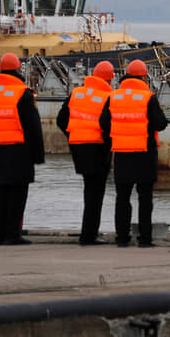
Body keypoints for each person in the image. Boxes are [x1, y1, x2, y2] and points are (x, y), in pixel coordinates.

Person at [99, 59, 167, 248]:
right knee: (145, 198)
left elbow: (103, 124)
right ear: (144, 77)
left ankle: (122, 238)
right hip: (144, 154)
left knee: (122, 198)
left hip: (121, 153)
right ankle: (145, 239)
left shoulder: (113, 97)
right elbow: (161, 123)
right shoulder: (148, 98)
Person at [0, 52, 45, 246]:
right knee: (18, 194)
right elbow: (33, 126)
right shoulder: (23, 93)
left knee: (2, 192)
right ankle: (12, 235)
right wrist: (38, 155)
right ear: (18, 69)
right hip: (20, 149)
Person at [56, 60, 115, 245]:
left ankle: (87, 233)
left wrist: (73, 134)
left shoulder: (76, 93)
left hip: (78, 148)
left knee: (89, 191)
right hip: (97, 148)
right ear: (109, 80)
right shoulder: (108, 97)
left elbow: (61, 120)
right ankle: (89, 235)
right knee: (95, 195)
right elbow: (108, 126)